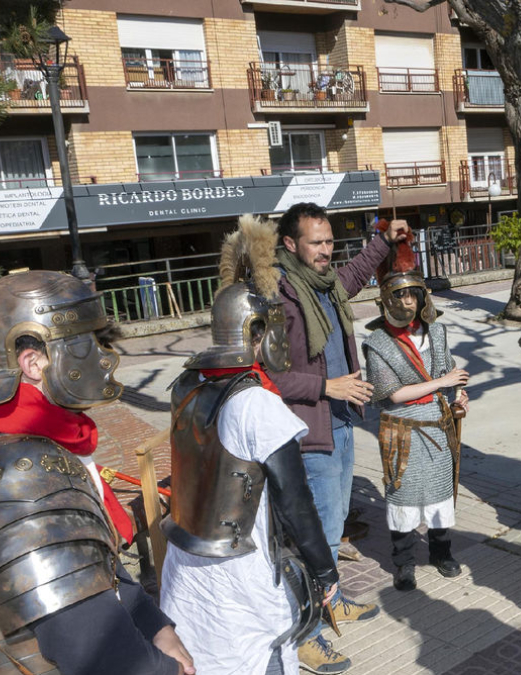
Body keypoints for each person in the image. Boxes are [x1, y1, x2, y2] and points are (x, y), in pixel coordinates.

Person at [0, 270, 195, 675]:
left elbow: (83, 564)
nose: (104, 358)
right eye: (87, 342)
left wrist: (153, 624)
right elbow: (95, 646)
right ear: (33, 362)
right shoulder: (16, 472)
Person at [161, 216, 348, 675]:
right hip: (238, 573)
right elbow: (295, 502)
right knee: (256, 658)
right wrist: (325, 570)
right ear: (256, 331)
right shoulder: (256, 404)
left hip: (185, 561)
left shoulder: (187, 384)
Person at [269, 203, 403, 617]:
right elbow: (267, 377)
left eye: (329, 241)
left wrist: (385, 240)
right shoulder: (279, 296)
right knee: (322, 530)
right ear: (290, 243)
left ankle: (332, 602)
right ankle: (312, 624)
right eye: (316, 243)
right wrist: (328, 386)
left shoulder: (325, 285)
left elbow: (356, 273)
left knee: (336, 520)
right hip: (311, 431)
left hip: (342, 422)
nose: (326, 250)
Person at [362, 228, 469, 592]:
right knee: (403, 499)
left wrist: (458, 395)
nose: (407, 301)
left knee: (440, 496)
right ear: (387, 298)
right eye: (399, 294)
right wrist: (442, 383)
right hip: (402, 428)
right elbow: (392, 394)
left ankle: (441, 553)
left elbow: (448, 372)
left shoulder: (436, 332)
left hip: (437, 424)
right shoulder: (378, 342)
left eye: (412, 293)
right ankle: (404, 563)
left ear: (423, 295)